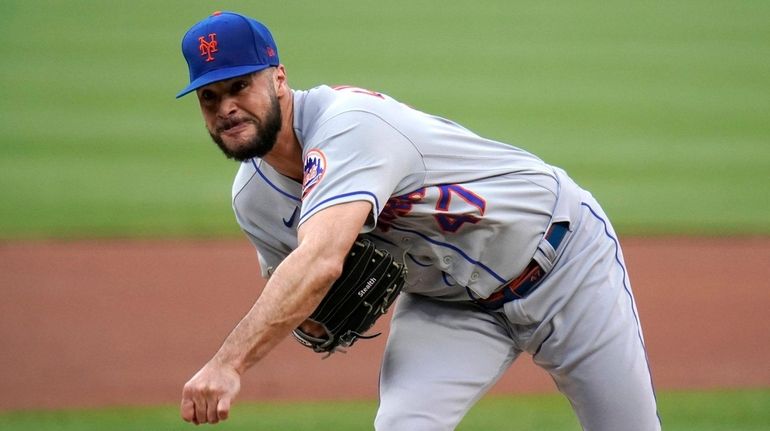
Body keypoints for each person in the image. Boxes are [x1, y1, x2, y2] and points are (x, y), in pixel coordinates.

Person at [176, 10, 661, 430]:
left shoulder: (350, 123)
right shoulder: (254, 199)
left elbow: (319, 262)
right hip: (448, 304)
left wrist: (227, 364)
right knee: (403, 424)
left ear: (278, 78)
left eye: (240, 86)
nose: (227, 108)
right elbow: (303, 293)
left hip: (564, 265)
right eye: (209, 97)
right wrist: (317, 321)